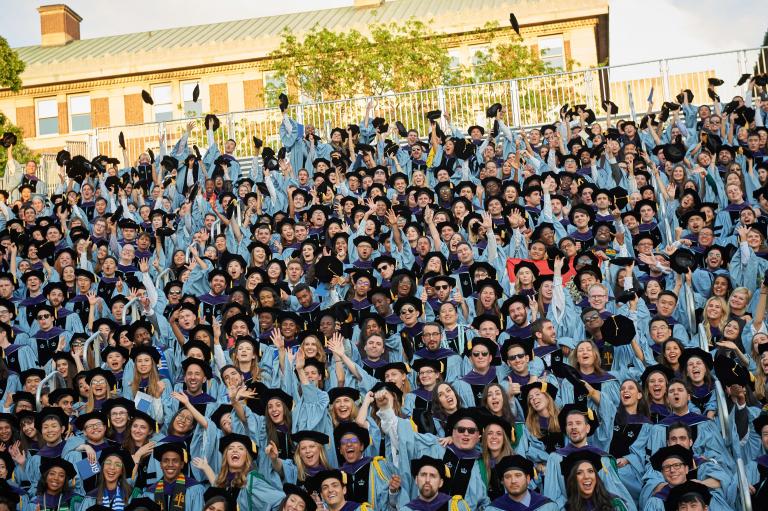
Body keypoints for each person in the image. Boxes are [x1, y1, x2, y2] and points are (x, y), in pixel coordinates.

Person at [486, 454, 558, 511]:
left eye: (518, 475)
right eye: (508, 477)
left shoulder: (548, 507)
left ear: (528, 478)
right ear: (502, 481)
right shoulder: (493, 509)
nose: (513, 481)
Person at [400, 456, 470, 511]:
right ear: (416, 480)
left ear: (440, 483)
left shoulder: (456, 507)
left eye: (432, 476)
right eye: (423, 475)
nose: (427, 480)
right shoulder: (407, 509)